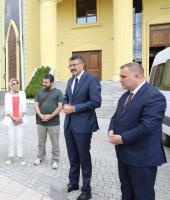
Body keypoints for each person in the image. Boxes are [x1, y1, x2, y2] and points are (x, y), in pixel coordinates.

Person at [108, 62, 167, 200]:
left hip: (142, 158)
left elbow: (147, 127)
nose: (120, 79)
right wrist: (111, 129)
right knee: (127, 192)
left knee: (142, 195)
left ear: (136, 76)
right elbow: (116, 116)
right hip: (124, 155)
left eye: (123, 76)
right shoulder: (126, 95)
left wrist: (122, 138)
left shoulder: (154, 96)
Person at [63, 55, 101, 200]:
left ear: (82, 65)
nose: (72, 68)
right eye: (70, 65)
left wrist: (75, 108)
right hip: (69, 125)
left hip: (83, 126)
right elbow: (66, 97)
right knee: (73, 157)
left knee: (84, 158)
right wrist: (66, 105)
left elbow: (96, 102)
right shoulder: (70, 80)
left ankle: (86, 190)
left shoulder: (92, 80)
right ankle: (73, 183)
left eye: (74, 65)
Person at [34, 74, 63, 169]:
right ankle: (40, 157)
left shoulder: (58, 92)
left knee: (55, 142)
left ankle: (55, 160)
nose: (44, 84)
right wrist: (41, 115)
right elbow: (36, 105)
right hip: (41, 121)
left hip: (53, 122)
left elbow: (60, 107)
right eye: (43, 82)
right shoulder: (39, 92)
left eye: (46, 82)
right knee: (41, 142)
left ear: (52, 82)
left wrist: (50, 117)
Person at [2, 78, 28, 165]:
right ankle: (11, 157)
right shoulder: (7, 95)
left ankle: (20, 156)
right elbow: (7, 109)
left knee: (20, 139)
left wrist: (19, 118)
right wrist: (14, 118)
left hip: (20, 120)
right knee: (11, 139)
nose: (15, 85)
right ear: (10, 85)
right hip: (10, 120)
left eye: (17, 83)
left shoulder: (22, 94)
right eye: (13, 84)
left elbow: (24, 107)